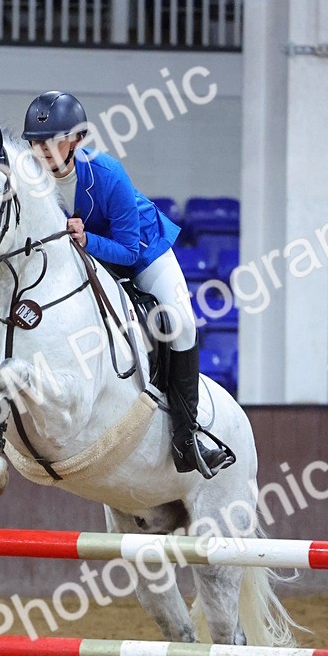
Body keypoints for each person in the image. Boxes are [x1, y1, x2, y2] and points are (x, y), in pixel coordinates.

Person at [22, 89, 232, 478]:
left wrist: (87, 240)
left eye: (53, 141)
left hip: (140, 252)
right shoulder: (32, 182)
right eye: (36, 142)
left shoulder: (107, 173)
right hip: (83, 260)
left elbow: (129, 251)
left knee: (181, 323)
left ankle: (188, 437)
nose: (43, 150)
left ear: (77, 140)